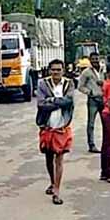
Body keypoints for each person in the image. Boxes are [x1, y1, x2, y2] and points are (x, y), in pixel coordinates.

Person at [36, 59, 76, 206]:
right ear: (49, 70)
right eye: (53, 70)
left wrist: (51, 100)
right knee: (48, 157)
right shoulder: (42, 84)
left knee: (59, 159)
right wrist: (59, 101)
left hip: (62, 126)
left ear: (63, 70)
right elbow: (40, 104)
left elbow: (69, 101)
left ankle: (57, 190)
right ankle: (53, 182)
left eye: (58, 70)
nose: (56, 72)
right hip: (47, 126)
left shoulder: (69, 83)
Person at [77, 52, 104, 153]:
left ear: (99, 58)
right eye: (93, 59)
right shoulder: (86, 72)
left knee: (106, 123)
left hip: (104, 99)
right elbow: (80, 86)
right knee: (91, 123)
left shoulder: (104, 70)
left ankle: (106, 144)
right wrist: (90, 92)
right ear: (89, 60)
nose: (95, 61)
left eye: (96, 59)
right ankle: (91, 145)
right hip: (93, 100)